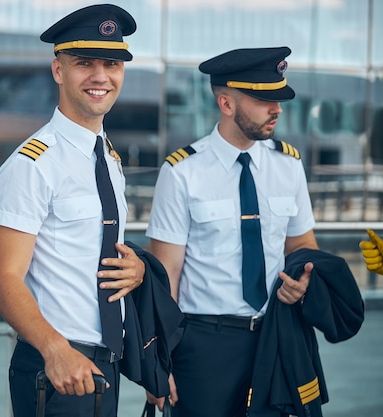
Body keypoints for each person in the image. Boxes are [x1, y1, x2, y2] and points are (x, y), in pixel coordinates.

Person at [145, 47, 319, 416]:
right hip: (203, 347)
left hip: (277, 339)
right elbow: (166, 275)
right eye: (264, 99)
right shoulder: (181, 173)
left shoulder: (288, 166)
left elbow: (302, 245)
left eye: (279, 98)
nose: (278, 109)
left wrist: (303, 281)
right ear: (226, 103)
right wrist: (159, 360)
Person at [0, 4, 145, 417]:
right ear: (58, 71)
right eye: (83, 63)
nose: (100, 76)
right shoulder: (32, 164)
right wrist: (55, 350)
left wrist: (138, 271)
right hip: (54, 367)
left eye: (111, 63)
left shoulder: (108, 159)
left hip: (105, 363)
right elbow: (5, 280)